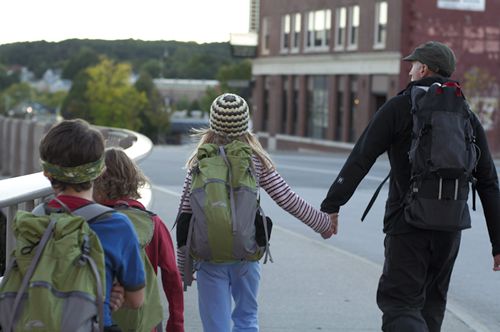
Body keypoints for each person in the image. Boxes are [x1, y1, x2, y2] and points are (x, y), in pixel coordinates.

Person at [320, 40, 500, 332]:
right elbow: (489, 181)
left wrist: (332, 205)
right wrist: (498, 242)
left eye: (413, 66)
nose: (409, 72)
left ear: (424, 68)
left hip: (407, 224)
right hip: (450, 227)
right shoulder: (464, 113)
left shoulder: (400, 106)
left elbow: (361, 157)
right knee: (432, 306)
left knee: (400, 305)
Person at [176, 93, 337, 332]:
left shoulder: (199, 163)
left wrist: (183, 268)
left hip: (209, 258)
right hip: (246, 255)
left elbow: (185, 218)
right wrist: (323, 224)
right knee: (247, 320)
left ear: (212, 123)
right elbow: (287, 199)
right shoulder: (255, 161)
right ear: (245, 125)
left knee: (216, 326)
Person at [39, 119, 146, 331]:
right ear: (99, 171)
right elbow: (136, 300)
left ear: (47, 172)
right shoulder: (117, 225)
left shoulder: (34, 219)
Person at [94, 147, 185, 332]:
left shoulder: (89, 223)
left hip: (97, 319)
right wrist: (176, 325)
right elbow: (172, 277)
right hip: (143, 321)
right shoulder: (153, 223)